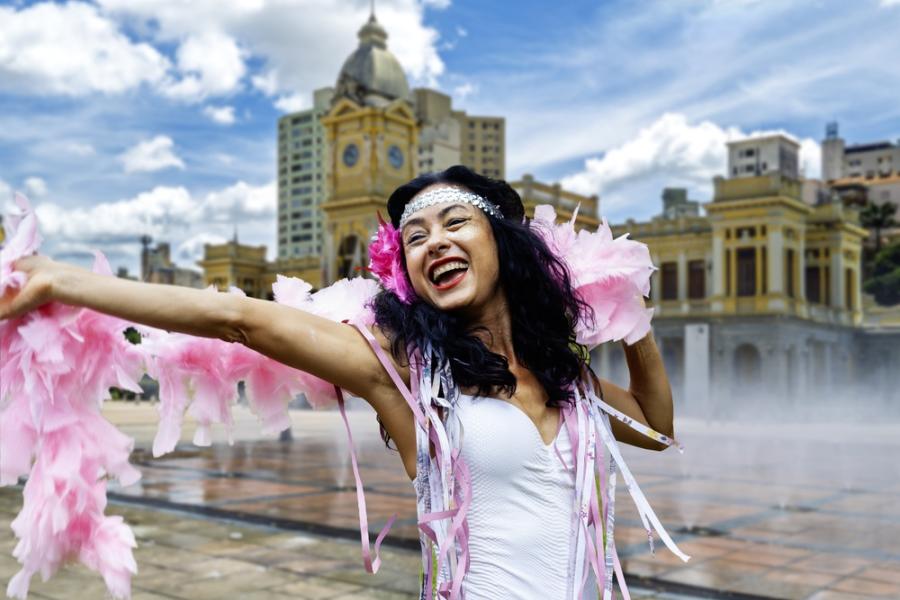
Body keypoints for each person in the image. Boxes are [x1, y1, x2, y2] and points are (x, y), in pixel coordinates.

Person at [0, 165, 682, 599]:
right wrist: (64, 281)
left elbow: (657, 428)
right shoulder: (409, 373)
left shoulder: (568, 381)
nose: (432, 242)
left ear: (504, 242)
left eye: (453, 223)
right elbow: (239, 319)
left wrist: (631, 314)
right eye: (414, 238)